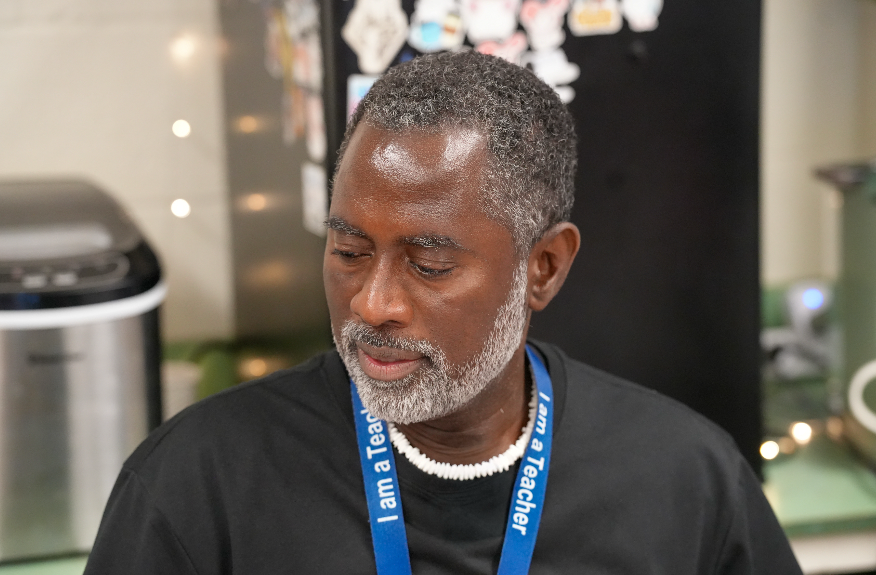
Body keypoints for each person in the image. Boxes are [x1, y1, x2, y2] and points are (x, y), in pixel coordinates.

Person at [85, 51, 802, 574]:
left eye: (429, 265)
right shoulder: (197, 482)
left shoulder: (684, 479)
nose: (374, 303)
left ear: (543, 267)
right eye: (348, 252)